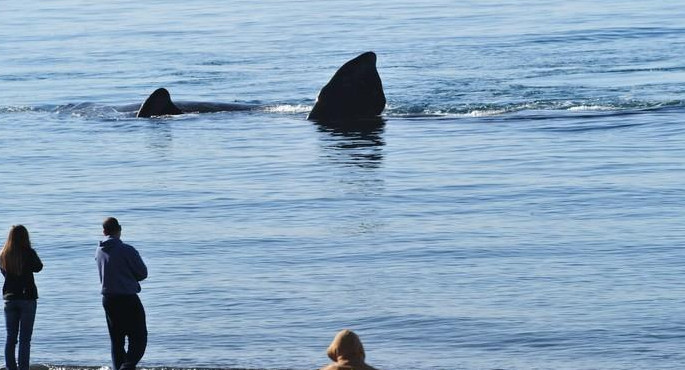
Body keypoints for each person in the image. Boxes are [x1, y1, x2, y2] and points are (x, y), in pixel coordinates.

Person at [95, 217, 148, 370]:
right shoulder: (126, 250)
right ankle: (128, 366)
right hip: (127, 298)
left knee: (117, 341)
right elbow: (142, 273)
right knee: (139, 338)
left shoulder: (99, 251)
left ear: (104, 231)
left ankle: (120, 367)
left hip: (108, 299)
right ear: (120, 229)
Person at [1, 225, 43, 370]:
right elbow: (39, 267)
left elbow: (5, 273)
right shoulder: (28, 253)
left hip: (10, 299)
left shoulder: (4, 254)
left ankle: (11, 368)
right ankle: (23, 368)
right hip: (27, 298)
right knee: (25, 339)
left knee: (10, 338)